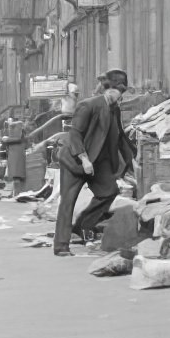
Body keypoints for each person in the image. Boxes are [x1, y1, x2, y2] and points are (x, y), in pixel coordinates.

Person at [53, 69, 135, 257]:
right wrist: (83, 158)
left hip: (97, 162)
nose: (119, 97)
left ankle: (82, 225)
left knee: (109, 192)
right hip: (74, 160)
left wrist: (132, 161)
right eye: (117, 92)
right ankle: (61, 246)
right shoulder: (87, 105)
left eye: (121, 93)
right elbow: (75, 134)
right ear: (108, 90)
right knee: (68, 201)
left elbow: (120, 137)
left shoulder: (114, 109)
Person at [0, 117, 27, 199]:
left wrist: (7, 140)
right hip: (15, 154)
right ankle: (15, 193)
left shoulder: (17, 127)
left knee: (16, 175)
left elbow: (17, 139)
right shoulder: (17, 128)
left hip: (16, 155)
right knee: (15, 176)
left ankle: (16, 194)